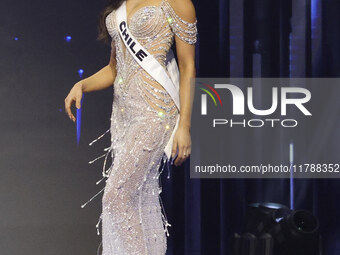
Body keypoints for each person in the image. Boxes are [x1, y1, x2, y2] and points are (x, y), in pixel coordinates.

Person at [64, 0, 198, 253]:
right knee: (140, 196)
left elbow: (188, 65)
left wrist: (185, 126)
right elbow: (115, 69)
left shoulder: (178, 3)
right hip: (123, 114)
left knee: (117, 196)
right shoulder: (121, 6)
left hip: (155, 111)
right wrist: (82, 85)